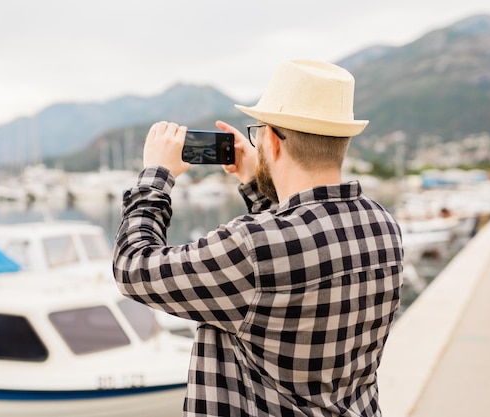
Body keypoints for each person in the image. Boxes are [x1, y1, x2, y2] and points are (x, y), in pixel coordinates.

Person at [113, 60, 403, 416]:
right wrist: (256, 182)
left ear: (273, 143)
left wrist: (155, 176)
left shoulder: (251, 247)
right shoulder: (383, 226)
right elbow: (297, 249)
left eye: (259, 132)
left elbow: (132, 268)